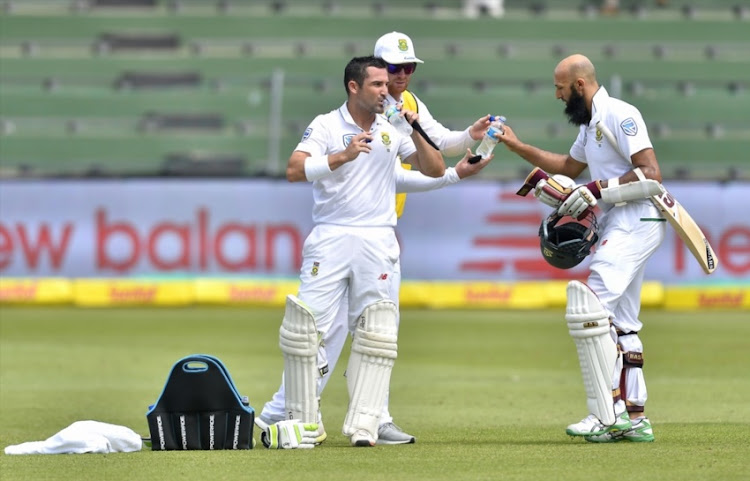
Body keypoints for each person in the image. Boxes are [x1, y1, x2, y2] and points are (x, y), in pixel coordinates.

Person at [257, 32, 494, 446]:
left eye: (396, 79)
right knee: (311, 330)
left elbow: (429, 167)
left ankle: (371, 421)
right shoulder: (328, 124)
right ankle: (288, 414)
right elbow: (295, 169)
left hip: (379, 239)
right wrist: (341, 155)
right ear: (356, 86)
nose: (392, 87)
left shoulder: (396, 121)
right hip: (331, 237)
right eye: (381, 82)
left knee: (378, 333)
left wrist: (419, 130)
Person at [497, 54, 665, 443]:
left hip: (637, 219)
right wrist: (518, 146)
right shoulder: (589, 126)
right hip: (622, 222)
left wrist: (594, 190)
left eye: (559, 87)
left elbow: (651, 172)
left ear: (578, 85)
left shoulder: (620, 114)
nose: (556, 96)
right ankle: (635, 418)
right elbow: (568, 168)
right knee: (623, 323)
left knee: (589, 308)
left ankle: (606, 412)